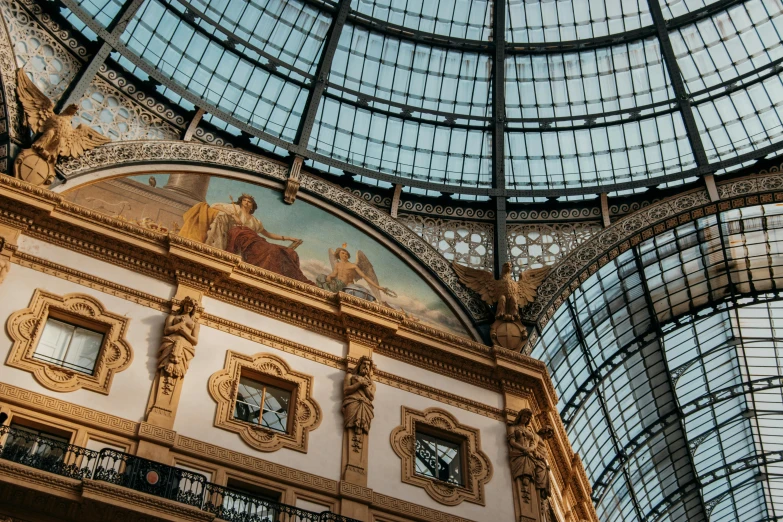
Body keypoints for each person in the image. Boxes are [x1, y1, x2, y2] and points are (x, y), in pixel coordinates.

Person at [180, 194, 311, 283]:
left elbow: (268, 234)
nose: (246, 203)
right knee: (268, 250)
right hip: (239, 237)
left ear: (253, 206)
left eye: (249, 202)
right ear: (241, 202)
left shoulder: (255, 221)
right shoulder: (235, 208)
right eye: (245, 200)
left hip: (253, 239)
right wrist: (232, 214)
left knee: (279, 250)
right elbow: (214, 206)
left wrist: (288, 238)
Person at [157, 297, 200, 394]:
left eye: (191, 306)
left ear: (193, 308)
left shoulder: (195, 323)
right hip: (170, 342)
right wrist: (180, 324)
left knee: (178, 369)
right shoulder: (172, 317)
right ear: (183, 305)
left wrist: (184, 332)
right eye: (187, 305)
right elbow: (167, 330)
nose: (188, 308)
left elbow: (195, 341)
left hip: (185, 348)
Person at [507, 408, 551, 499]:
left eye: (527, 417)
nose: (525, 419)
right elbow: (512, 442)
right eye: (524, 416)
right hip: (519, 453)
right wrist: (524, 449)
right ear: (520, 416)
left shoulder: (530, 432)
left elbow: (533, 444)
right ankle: (524, 491)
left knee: (529, 475)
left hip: (529, 455)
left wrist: (529, 449)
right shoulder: (512, 428)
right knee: (524, 477)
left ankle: (526, 490)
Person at [342, 356, 375, 450]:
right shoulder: (350, 376)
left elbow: (371, 396)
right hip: (353, 402)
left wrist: (364, 386)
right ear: (359, 365)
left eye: (368, 365)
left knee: (362, 426)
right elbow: (346, 390)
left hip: (365, 405)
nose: (366, 366)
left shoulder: (372, 384)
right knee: (351, 425)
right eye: (364, 364)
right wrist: (359, 384)